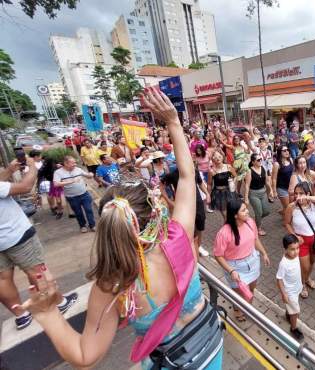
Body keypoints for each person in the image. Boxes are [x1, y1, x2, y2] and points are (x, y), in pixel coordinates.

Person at [14, 88, 224, 369]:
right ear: (157, 214)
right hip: (211, 348)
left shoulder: (113, 283)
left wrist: (48, 312)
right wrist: (172, 122)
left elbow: (85, 355)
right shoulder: (179, 237)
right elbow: (187, 176)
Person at [0, 157, 77, 330]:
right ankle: (58, 302)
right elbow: (25, 187)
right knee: (37, 270)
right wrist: (33, 167)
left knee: (3, 278)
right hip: (15, 233)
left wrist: (9, 171)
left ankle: (21, 316)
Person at [213, 198, 271, 322]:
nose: (247, 212)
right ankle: (237, 309)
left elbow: (255, 239)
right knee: (239, 295)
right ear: (235, 215)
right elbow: (218, 255)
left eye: (246, 209)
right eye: (243, 210)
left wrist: (264, 253)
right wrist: (231, 270)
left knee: (251, 289)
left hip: (253, 261)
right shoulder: (224, 233)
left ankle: (247, 307)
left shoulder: (250, 222)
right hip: (236, 267)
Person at [283, 182, 315, 299]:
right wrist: (295, 236)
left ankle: (307, 278)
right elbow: (286, 223)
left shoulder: (314, 204)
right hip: (301, 242)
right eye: (296, 193)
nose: (298, 196)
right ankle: (301, 284)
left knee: (312, 262)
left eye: (301, 193)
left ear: (307, 193)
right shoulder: (292, 207)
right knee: (304, 266)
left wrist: (308, 198)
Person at [53, 156, 96, 233]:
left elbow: (88, 176)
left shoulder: (78, 169)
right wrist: (71, 181)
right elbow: (56, 184)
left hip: (84, 194)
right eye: (73, 163)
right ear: (66, 163)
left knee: (89, 210)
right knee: (78, 213)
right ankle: (82, 226)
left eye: (75, 162)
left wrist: (90, 174)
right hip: (72, 197)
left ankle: (92, 225)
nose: (75, 164)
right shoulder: (58, 172)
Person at [277, 234, 304, 341]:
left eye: (297, 248)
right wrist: (284, 294)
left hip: (297, 287)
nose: (296, 251)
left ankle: (289, 313)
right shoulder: (284, 264)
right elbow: (279, 279)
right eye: (292, 249)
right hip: (289, 292)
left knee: (292, 310)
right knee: (296, 312)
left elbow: (300, 241)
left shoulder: (295, 255)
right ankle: (293, 328)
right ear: (285, 249)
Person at [244, 153, 273, 236]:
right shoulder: (250, 171)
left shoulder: (263, 168)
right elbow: (247, 185)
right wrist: (246, 198)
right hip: (254, 194)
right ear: (253, 162)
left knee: (266, 211)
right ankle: (258, 228)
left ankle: (256, 220)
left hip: (263, 192)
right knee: (259, 212)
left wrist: (270, 190)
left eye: (261, 159)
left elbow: (267, 181)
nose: (260, 161)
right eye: (258, 160)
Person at [208, 150, 237, 221]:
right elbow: (209, 184)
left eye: (219, 156)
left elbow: (235, 176)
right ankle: (229, 231)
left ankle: (231, 230)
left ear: (222, 157)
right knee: (226, 217)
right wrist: (208, 196)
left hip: (229, 192)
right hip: (218, 195)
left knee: (233, 215)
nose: (217, 158)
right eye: (215, 157)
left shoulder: (228, 167)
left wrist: (233, 183)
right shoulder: (211, 171)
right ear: (212, 159)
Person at [272, 146, 294, 214]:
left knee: (290, 206)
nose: (287, 152)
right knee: (288, 208)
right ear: (280, 152)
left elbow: (293, 173)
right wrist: (274, 191)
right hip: (282, 188)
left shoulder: (290, 160)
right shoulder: (277, 164)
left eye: (287, 150)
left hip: (290, 187)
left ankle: (282, 211)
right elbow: (274, 178)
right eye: (284, 150)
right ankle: (286, 223)